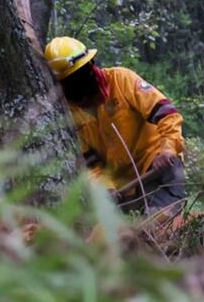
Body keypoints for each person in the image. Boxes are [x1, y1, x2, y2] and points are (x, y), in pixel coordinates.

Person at [44, 36, 187, 218]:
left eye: (80, 76)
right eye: (71, 81)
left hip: (158, 168)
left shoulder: (122, 80)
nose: (78, 84)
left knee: (160, 227)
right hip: (124, 188)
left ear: (90, 67)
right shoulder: (70, 114)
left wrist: (168, 148)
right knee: (128, 240)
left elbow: (167, 114)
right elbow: (90, 163)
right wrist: (104, 186)